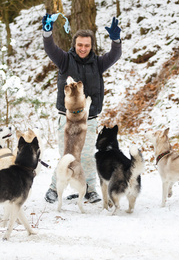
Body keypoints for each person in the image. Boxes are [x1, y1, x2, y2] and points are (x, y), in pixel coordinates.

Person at [42, 14, 122, 203]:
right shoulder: (64, 60)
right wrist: (47, 33)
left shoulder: (98, 63)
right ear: (74, 45)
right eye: (80, 45)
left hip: (89, 118)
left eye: (87, 45)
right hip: (67, 118)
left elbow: (115, 55)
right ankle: (54, 188)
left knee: (86, 156)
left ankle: (89, 189)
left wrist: (116, 40)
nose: (83, 48)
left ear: (91, 46)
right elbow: (50, 48)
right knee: (67, 156)